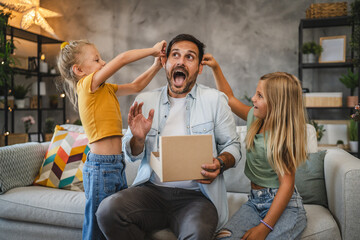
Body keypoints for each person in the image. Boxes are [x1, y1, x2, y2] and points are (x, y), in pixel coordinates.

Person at [95, 34, 241, 240]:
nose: (181, 61)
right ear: (165, 62)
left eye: (189, 57)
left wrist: (221, 163)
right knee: (107, 210)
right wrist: (137, 138)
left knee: (197, 233)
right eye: (175, 55)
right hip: (152, 192)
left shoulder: (215, 100)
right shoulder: (145, 99)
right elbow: (132, 156)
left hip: (198, 197)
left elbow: (233, 146)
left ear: (199, 68)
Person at [57, 39, 167, 240]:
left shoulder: (106, 89)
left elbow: (136, 86)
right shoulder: (86, 85)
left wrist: (156, 65)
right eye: (97, 59)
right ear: (79, 70)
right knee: (97, 229)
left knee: (114, 224)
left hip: (116, 166)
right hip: (101, 168)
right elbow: (123, 59)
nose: (104, 62)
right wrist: (152, 50)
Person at [202, 54, 308, 240]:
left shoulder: (281, 140)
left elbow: (287, 186)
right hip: (255, 202)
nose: (253, 98)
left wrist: (265, 227)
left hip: (286, 208)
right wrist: (216, 68)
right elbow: (229, 98)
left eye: (259, 95)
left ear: (277, 104)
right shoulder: (254, 118)